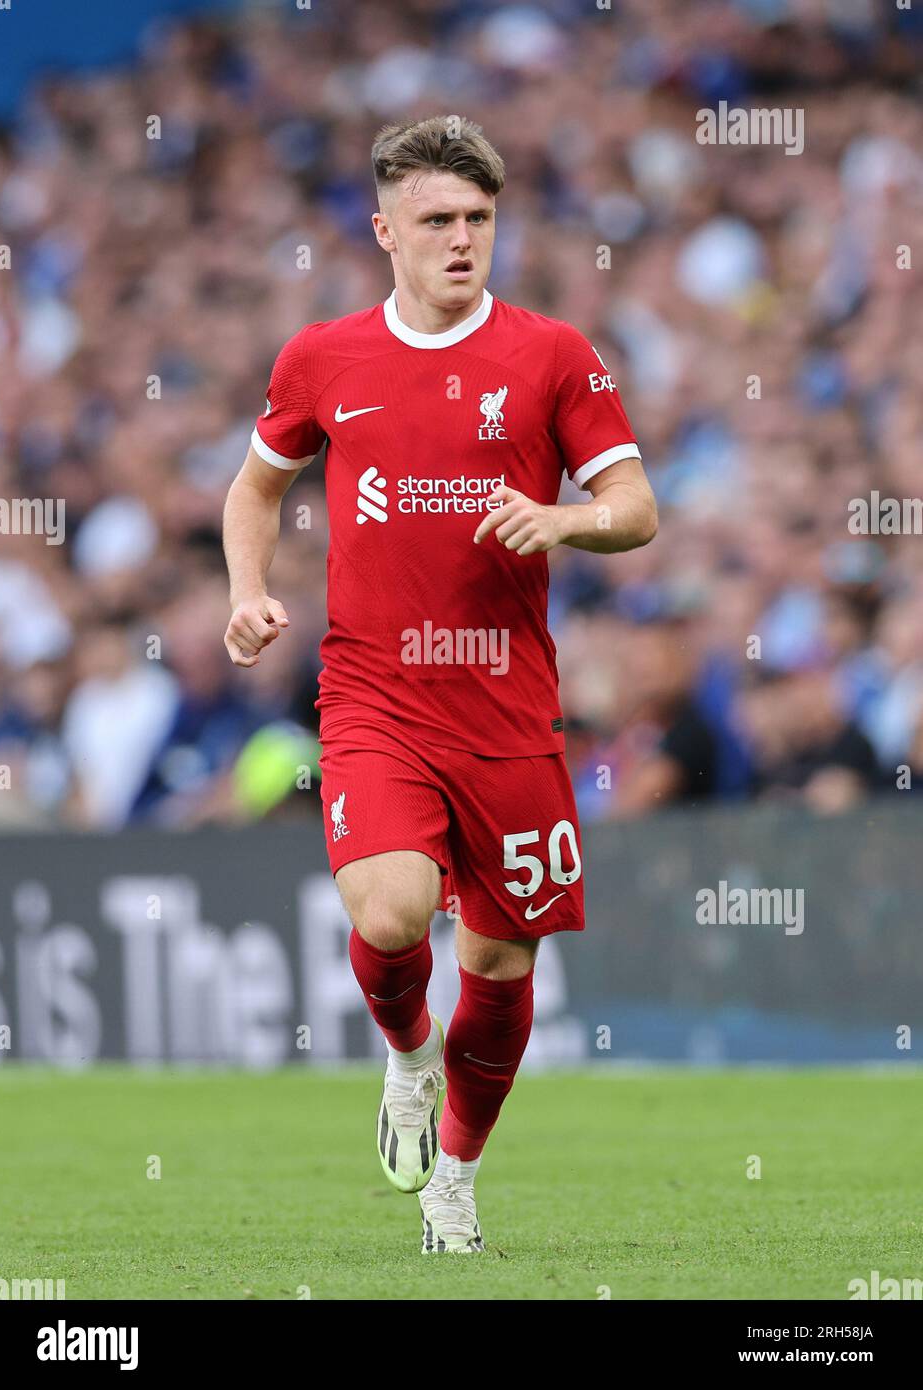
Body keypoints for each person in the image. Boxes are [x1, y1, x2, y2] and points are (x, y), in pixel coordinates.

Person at [221, 116, 657, 1253]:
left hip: (510, 707)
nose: (462, 240)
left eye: (478, 220)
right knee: (391, 909)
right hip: (374, 693)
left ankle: (455, 1175)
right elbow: (254, 491)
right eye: (437, 221)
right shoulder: (324, 358)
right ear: (384, 233)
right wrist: (246, 591)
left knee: (504, 963)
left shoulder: (555, 354)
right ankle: (409, 1054)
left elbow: (637, 507)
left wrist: (563, 516)